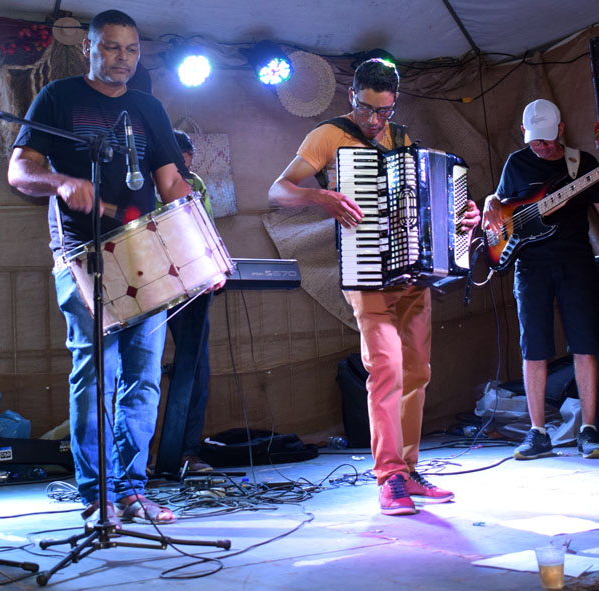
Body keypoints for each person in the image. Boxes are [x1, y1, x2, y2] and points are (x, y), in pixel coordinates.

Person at [7, 10, 197, 527]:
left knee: (144, 379)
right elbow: (20, 169)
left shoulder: (148, 107)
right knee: (97, 374)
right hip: (83, 255)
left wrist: (201, 245)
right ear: (90, 48)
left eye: (131, 50)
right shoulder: (59, 98)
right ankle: (99, 495)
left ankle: (133, 490)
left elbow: (172, 183)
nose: (122, 59)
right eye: (112, 48)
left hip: (146, 254)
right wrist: (61, 183)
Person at [267, 58, 480, 515]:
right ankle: (388, 477)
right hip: (366, 274)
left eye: (383, 111)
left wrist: (460, 218)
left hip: (411, 276)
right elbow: (278, 191)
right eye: (367, 109)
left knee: (417, 372)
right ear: (352, 96)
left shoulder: (401, 139)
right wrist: (319, 196)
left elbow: (430, 210)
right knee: (385, 367)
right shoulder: (328, 136)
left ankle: (408, 470)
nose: (374, 121)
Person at [482, 99, 599, 460]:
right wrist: (490, 201)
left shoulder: (584, 165)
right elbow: (500, 203)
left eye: (548, 140)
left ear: (561, 130)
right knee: (533, 349)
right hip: (530, 266)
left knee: (585, 345)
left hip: (576, 261)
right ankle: (537, 432)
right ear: (524, 134)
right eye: (536, 141)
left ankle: (589, 429)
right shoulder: (516, 163)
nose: (543, 147)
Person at [157, 130, 215, 474]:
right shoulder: (140, 182)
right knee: (138, 373)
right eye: (178, 164)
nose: (184, 172)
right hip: (147, 286)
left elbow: (203, 227)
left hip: (191, 285)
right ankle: (133, 461)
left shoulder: (196, 184)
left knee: (197, 369)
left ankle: (187, 453)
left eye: (188, 164)